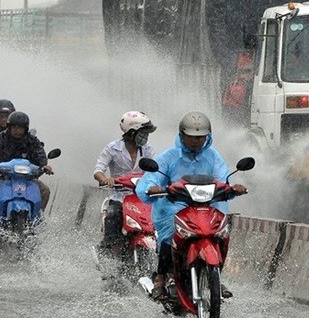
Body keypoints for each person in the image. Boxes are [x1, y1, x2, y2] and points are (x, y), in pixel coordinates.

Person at [136, 111, 248, 301]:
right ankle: (161, 278)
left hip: (207, 208)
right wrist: (152, 188)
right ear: (181, 135)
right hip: (175, 208)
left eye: (200, 137)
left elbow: (222, 178)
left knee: (221, 235)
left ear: (208, 137)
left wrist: (232, 188)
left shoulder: (213, 156)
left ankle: (216, 276)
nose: (196, 141)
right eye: (191, 137)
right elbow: (151, 179)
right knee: (169, 236)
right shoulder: (170, 157)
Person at [94, 111, 156, 258]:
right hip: (119, 198)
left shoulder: (147, 149)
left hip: (142, 198)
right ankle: (111, 251)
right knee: (113, 215)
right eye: (143, 133)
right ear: (132, 132)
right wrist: (105, 179)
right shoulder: (112, 148)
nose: (145, 136)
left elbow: (156, 168)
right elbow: (98, 170)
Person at [0, 111, 53, 215]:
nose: (18, 131)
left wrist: (44, 165)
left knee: (45, 190)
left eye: (20, 128)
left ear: (25, 129)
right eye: (15, 127)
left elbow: (39, 152)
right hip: (5, 178)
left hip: (28, 179)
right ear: (9, 127)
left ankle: (37, 218)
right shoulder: (0, 138)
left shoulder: (32, 140)